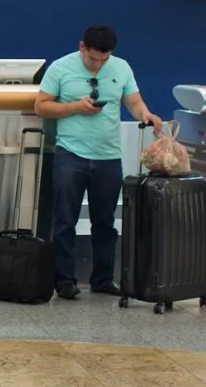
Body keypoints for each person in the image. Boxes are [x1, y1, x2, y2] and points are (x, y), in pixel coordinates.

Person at [34, 25, 161, 300]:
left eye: (104, 59)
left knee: (105, 221)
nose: (99, 64)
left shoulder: (121, 67)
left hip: (108, 156)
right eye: (93, 59)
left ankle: (103, 279)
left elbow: (134, 101)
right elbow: (41, 106)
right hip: (71, 154)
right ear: (82, 47)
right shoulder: (60, 67)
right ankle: (65, 280)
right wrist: (75, 107)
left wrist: (145, 115)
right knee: (64, 220)